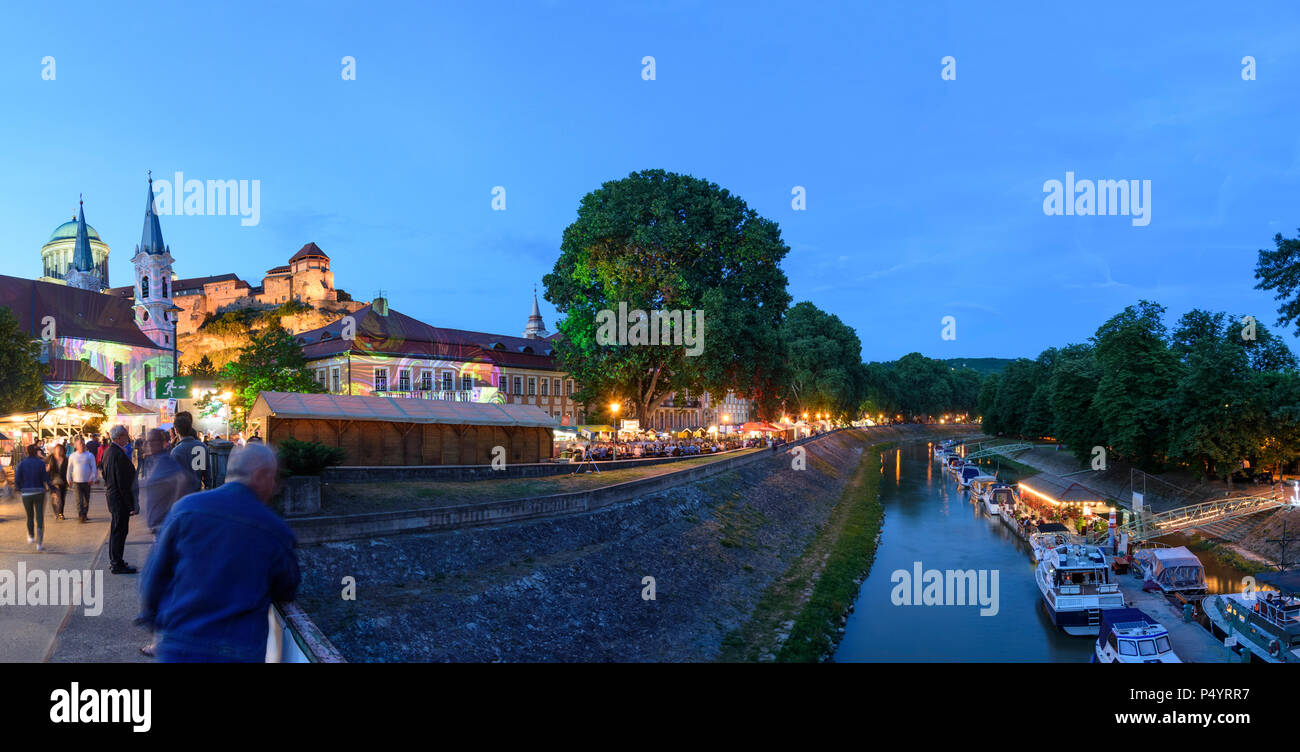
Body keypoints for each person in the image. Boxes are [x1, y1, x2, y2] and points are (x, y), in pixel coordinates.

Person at [138, 443, 300, 662]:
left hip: (179, 644)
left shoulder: (185, 508)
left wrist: (154, 619)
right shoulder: (276, 531)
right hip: (238, 650)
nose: (274, 487)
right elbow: (286, 588)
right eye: (273, 478)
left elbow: (154, 575)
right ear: (261, 476)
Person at [140, 428, 198, 536]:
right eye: (149, 441)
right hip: (160, 525)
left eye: (153, 440)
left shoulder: (165, 460)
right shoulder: (154, 460)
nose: (150, 444)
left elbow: (184, 480)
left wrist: (172, 510)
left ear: (162, 442)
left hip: (165, 527)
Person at [102, 425, 138, 574]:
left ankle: (116, 560)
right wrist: (131, 504)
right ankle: (117, 563)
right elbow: (122, 482)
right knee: (119, 531)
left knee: (117, 530)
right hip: (119, 499)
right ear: (118, 437)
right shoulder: (117, 454)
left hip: (114, 496)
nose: (127, 438)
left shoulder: (110, 452)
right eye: (125, 435)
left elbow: (105, 475)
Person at [16, 444, 51, 551]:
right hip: (39, 492)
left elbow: (17, 479)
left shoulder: (22, 464)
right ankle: (39, 544)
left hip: (26, 493)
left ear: (27, 452)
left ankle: (31, 536)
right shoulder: (41, 463)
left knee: (29, 516)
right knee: (39, 517)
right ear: (36, 452)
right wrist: (52, 488)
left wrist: (20, 488)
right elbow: (46, 478)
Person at [169, 411, 208, 490]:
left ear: (176, 430)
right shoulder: (202, 446)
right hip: (198, 491)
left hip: (183, 494)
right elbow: (207, 474)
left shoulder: (176, 451)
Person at [68, 437, 97, 522]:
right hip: (76, 482)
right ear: (76, 446)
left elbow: (94, 468)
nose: (83, 445)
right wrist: (68, 478)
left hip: (87, 482)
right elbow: (69, 468)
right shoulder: (73, 456)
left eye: (83, 443)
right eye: (80, 443)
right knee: (79, 500)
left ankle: (85, 514)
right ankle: (81, 516)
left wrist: (92, 478)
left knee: (86, 500)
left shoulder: (90, 455)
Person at [46, 443, 70, 520]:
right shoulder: (50, 458)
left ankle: (60, 512)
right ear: (54, 450)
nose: (59, 451)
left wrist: (69, 478)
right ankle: (57, 512)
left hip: (63, 481)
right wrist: (47, 469)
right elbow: (44, 468)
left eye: (61, 450)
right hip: (53, 480)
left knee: (62, 497)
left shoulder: (66, 459)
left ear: (63, 451)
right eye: (57, 449)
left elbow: (69, 470)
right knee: (55, 497)